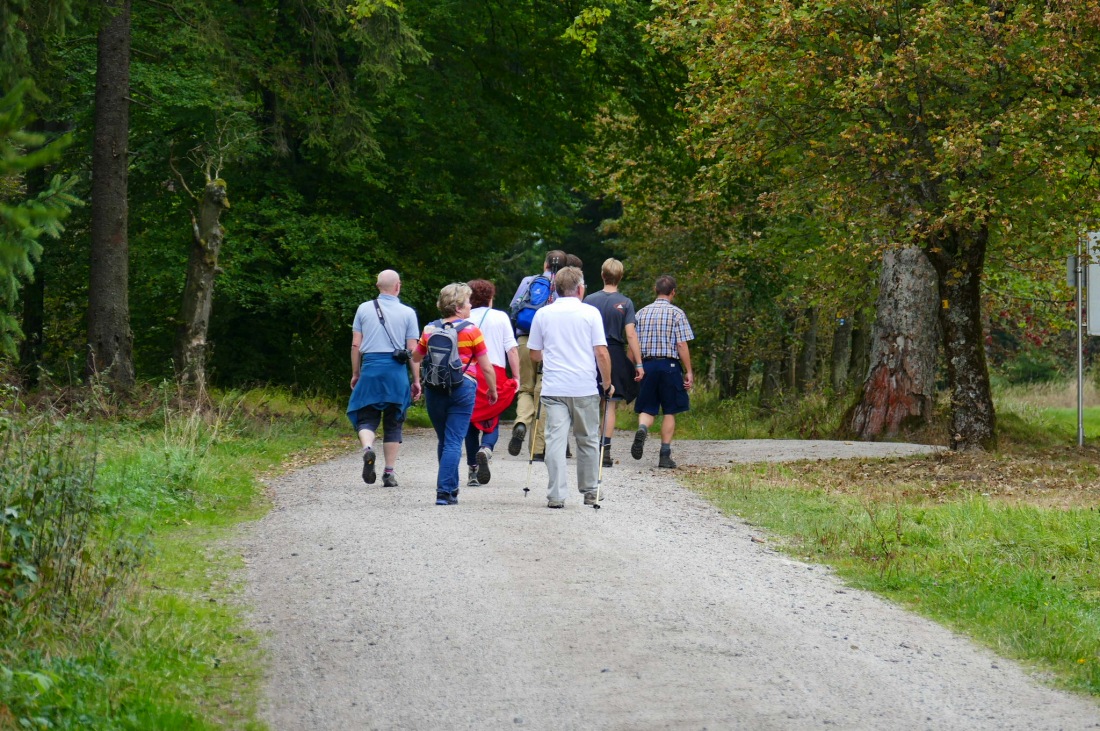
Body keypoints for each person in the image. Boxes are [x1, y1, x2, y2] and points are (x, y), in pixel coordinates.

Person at [527, 266, 612, 508]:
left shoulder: (543, 314)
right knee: (587, 439)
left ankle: (556, 494)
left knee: (554, 440)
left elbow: (534, 354)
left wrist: (553, 356)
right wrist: (607, 383)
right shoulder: (590, 313)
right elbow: (601, 352)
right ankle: (589, 490)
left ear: (555, 290)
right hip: (583, 386)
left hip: (554, 387)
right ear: (580, 288)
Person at [412, 283, 497, 505]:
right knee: (453, 441)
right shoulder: (472, 331)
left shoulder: (430, 329)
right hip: (462, 388)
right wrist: (493, 390)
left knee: (445, 440)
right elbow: (487, 367)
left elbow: (416, 357)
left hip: (435, 389)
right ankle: (444, 491)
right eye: (468, 302)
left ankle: (449, 489)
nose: (470, 305)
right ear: (458, 307)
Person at [347, 269, 421, 487]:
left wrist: (356, 373)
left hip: (370, 369)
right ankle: (389, 473)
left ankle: (368, 449)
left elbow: (355, 345)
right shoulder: (408, 313)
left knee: (366, 417)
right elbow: (413, 350)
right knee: (393, 421)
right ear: (397, 286)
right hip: (396, 373)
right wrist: (416, 380)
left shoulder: (363, 309)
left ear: (378, 286)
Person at [584, 258, 644, 467]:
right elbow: (630, 334)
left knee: (591, 402)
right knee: (610, 403)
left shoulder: (589, 300)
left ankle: (589, 447)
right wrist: (638, 363)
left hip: (590, 352)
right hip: (615, 353)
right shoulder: (625, 303)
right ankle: (605, 451)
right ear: (621, 277)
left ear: (602, 275)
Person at [507, 249, 566, 460]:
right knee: (543, 393)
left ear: (545, 264)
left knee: (525, 389)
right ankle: (537, 449)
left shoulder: (529, 281)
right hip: (548, 347)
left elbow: (514, 306)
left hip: (524, 339)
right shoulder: (564, 286)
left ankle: (521, 422)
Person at [632, 274, 695, 469]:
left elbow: (632, 343)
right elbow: (681, 344)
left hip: (647, 366)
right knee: (670, 410)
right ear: (673, 292)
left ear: (655, 290)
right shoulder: (677, 314)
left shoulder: (641, 313)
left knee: (647, 407)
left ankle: (643, 428)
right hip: (669, 367)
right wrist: (689, 371)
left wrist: (635, 365)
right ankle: (665, 455)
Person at [465, 279, 521, 487]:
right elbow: (512, 349)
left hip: (468, 372)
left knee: (470, 422)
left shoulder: (463, 318)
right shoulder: (500, 317)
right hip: (494, 372)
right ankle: (486, 449)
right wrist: (516, 377)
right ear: (490, 297)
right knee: (491, 418)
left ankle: (472, 471)